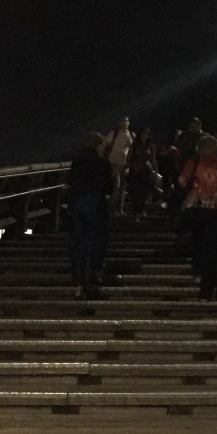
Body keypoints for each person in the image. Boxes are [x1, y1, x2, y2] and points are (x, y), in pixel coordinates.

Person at [176, 135, 217, 299]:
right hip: (215, 212)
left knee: (196, 240)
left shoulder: (193, 164)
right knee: (212, 250)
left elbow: (181, 181)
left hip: (194, 209)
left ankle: (196, 267)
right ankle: (206, 291)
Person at [67, 132, 114, 300]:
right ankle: (95, 271)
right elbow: (109, 186)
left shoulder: (77, 162)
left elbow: (70, 182)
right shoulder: (102, 163)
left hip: (78, 205)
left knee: (78, 244)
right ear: (98, 146)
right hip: (96, 204)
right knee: (98, 239)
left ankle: (78, 284)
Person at [126, 126, 158, 219]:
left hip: (146, 170)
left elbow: (153, 160)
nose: (145, 136)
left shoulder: (150, 146)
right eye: (144, 134)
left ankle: (140, 209)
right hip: (135, 170)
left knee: (145, 191)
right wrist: (128, 167)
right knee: (135, 191)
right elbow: (129, 157)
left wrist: (155, 171)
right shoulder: (135, 145)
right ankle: (136, 210)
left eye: (147, 134)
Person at [104, 116, 134, 214]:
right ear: (119, 123)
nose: (125, 123)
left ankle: (119, 209)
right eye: (123, 121)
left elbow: (133, 149)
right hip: (113, 161)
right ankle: (111, 209)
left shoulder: (131, 135)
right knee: (116, 185)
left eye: (127, 121)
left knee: (122, 187)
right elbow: (105, 144)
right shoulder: (114, 133)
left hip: (124, 163)